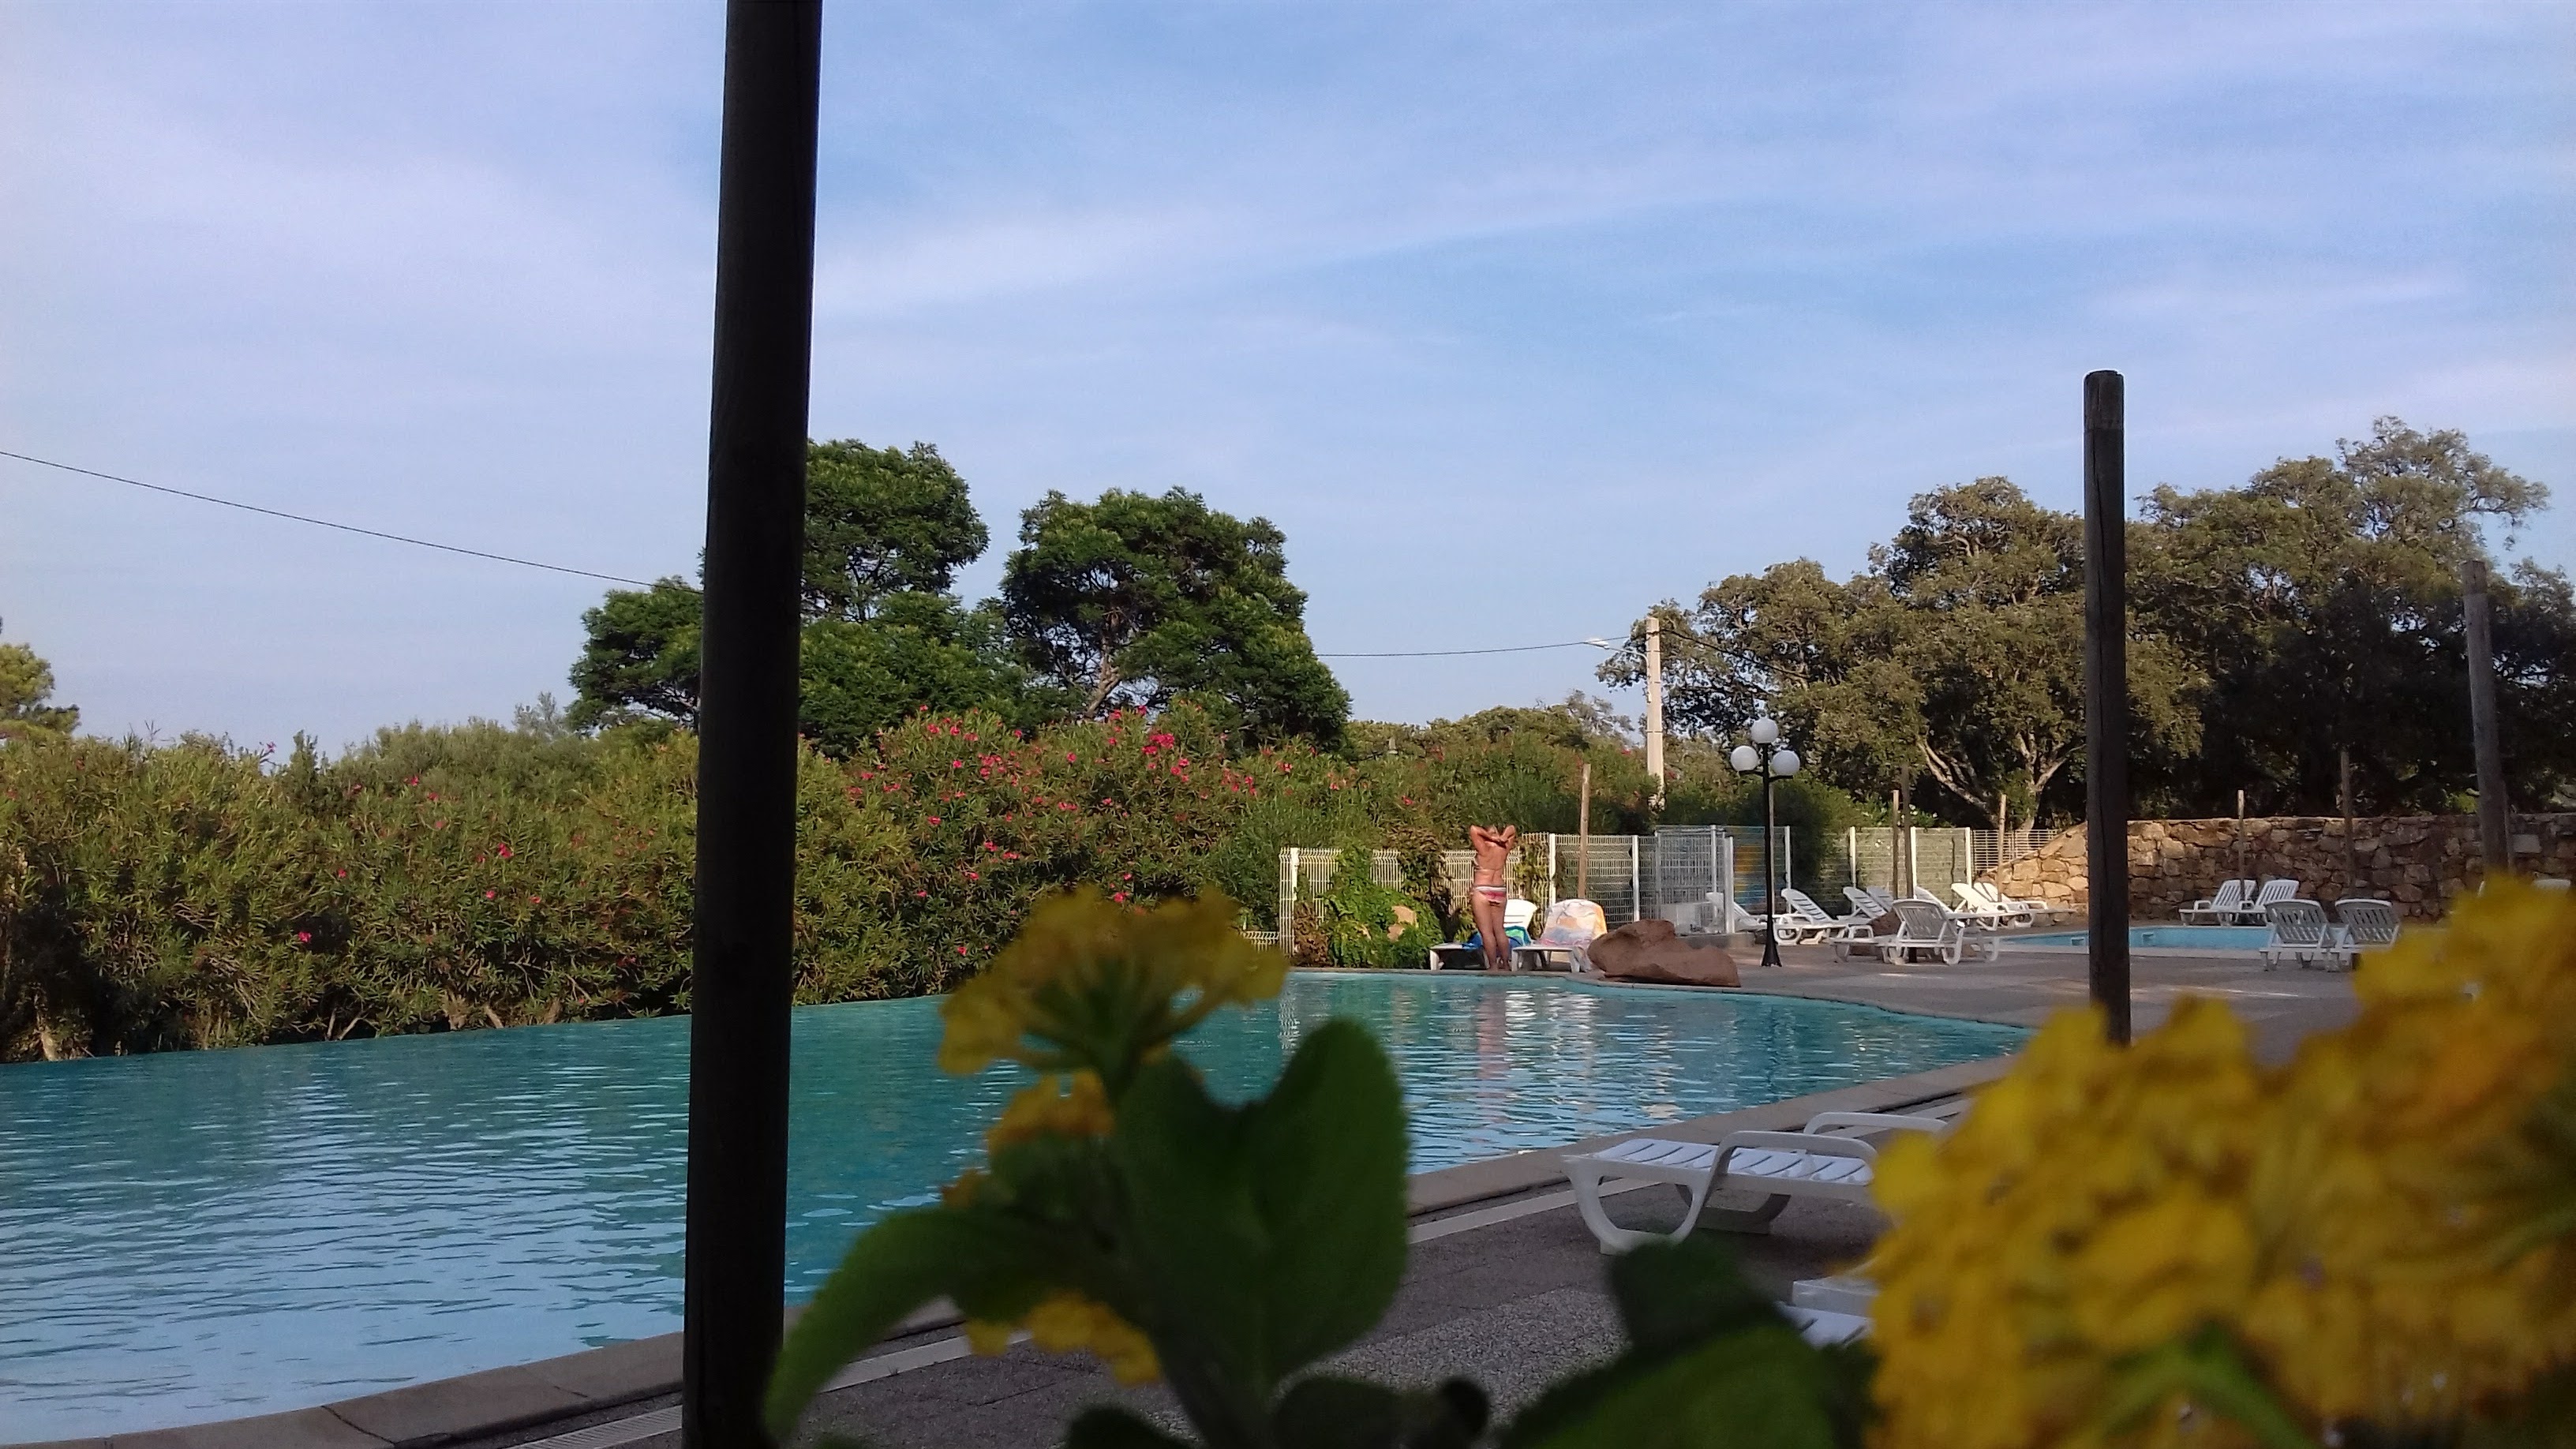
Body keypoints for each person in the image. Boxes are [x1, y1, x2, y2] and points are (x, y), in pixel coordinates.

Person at [1468, 824, 1518, 968]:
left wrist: (1491, 838)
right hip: (1499, 890)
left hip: (1483, 888)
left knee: (1487, 932)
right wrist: (1503, 837)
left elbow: (1473, 829)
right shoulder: (1504, 847)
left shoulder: (1484, 846)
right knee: (1500, 930)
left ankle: (1493, 966)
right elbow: (1512, 828)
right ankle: (1506, 965)